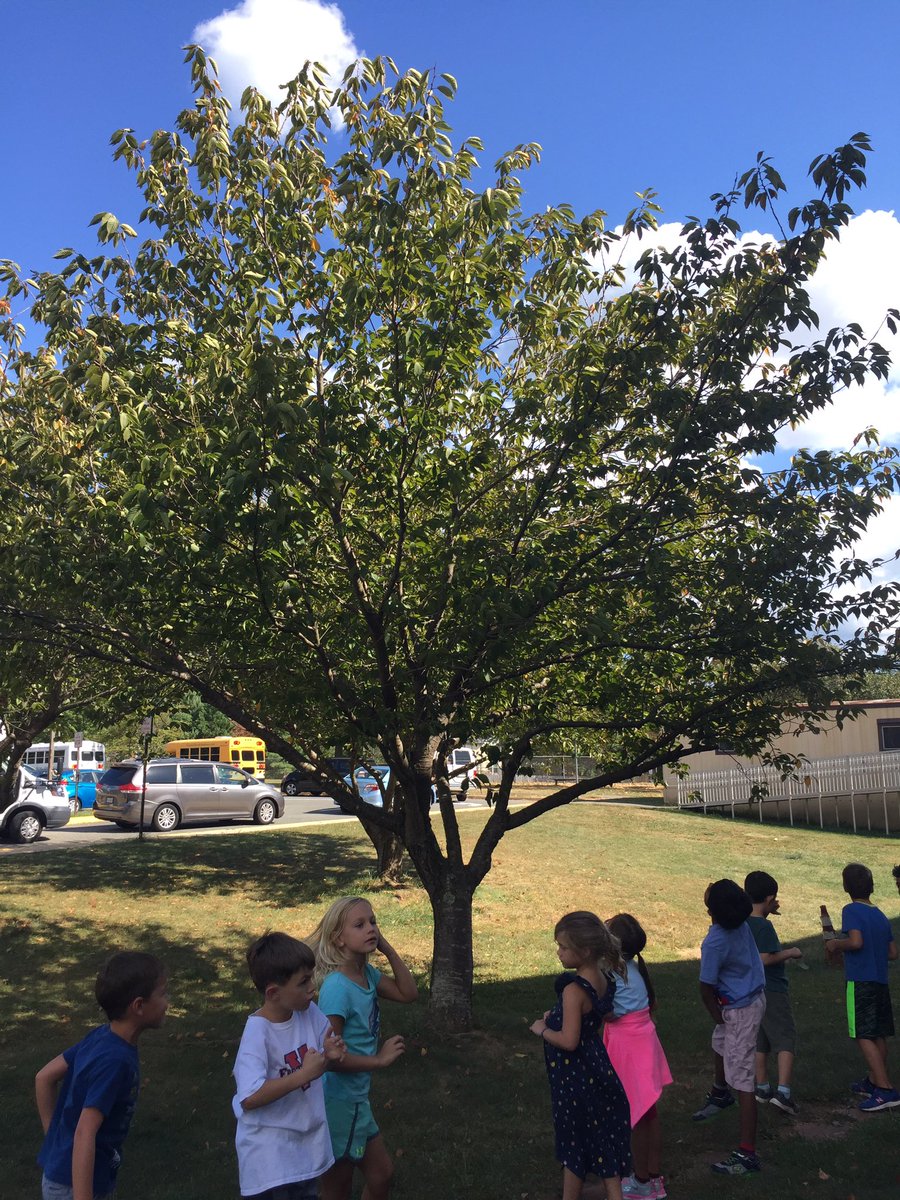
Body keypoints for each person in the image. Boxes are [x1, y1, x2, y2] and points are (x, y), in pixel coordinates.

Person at [307, 897, 418, 1200]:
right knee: (336, 1190)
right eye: (359, 925)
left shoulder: (367, 976)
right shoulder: (337, 989)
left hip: (356, 1101)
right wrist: (379, 1061)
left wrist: (387, 948)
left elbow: (408, 993)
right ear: (338, 938)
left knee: (381, 1175)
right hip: (337, 1103)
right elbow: (330, 1060)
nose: (371, 928)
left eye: (373, 922)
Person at [35, 951, 169, 1200]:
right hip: (76, 1188)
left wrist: (56, 1143)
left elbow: (43, 1078)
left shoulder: (101, 1037)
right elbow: (86, 1131)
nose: (167, 1002)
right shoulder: (115, 1061)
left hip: (66, 1177)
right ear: (138, 1005)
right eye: (162, 994)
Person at [232, 932, 346, 1199]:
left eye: (311, 977)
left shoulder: (308, 1012)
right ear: (273, 993)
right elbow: (249, 1097)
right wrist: (302, 1075)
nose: (312, 988)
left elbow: (322, 1057)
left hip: (305, 1150)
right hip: (270, 1159)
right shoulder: (257, 1034)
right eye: (303, 982)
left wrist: (330, 1054)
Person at [529, 911, 632, 1200]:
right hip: (597, 1069)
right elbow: (597, 1014)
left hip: (575, 1079)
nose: (558, 952)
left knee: (575, 1142)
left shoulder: (574, 991)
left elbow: (569, 1040)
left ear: (584, 951)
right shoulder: (601, 978)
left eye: (563, 947)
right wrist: (559, 1015)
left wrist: (542, 1029)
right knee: (601, 1141)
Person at [692, 878, 766, 1176]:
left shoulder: (715, 941)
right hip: (750, 999)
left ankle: (747, 1153)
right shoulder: (741, 924)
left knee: (744, 1077)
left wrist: (718, 1015)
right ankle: (720, 1092)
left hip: (738, 1009)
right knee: (719, 1043)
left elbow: (705, 987)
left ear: (712, 910)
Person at [603, 913, 673, 1200]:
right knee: (649, 1112)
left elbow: (607, 1011)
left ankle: (642, 1181)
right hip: (644, 1039)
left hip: (629, 1045)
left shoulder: (610, 973)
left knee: (638, 1114)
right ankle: (652, 1177)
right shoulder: (633, 969)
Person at [824, 862, 899, 1111]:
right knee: (877, 1033)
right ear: (872, 887)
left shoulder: (851, 910)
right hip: (880, 982)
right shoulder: (879, 914)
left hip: (860, 982)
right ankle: (874, 1080)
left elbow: (855, 942)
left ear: (846, 887)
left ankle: (885, 1089)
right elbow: (892, 952)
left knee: (862, 1034)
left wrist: (836, 945)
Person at [744, 870, 802, 1115]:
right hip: (773, 988)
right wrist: (790, 952)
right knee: (785, 1037)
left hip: (751, 990)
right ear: (769, 898)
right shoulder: (764, 927)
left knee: (760, 1039)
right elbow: (765, 958)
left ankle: (762, 1087)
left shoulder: (743, 923)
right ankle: (784, 1093)